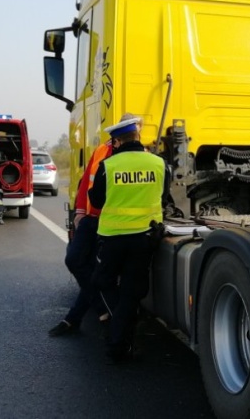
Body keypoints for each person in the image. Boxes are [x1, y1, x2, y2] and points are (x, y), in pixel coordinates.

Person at [49, 113, 141, 338]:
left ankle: (74, 318)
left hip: (111, 222)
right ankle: (101, 309)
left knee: (96, 270)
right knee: (74, 259)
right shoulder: (100, 150)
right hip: (90, 218)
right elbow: (85, 182)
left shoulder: (140, 156)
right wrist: (80, 211)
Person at [88, 117, 168, 362]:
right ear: (138, 136)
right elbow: (164, 199)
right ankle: (123, 336)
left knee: (103, 281)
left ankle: (117, 340)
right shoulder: (159, 163)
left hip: (113, 238)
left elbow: (97, 201)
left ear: (117, 140)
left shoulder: (108, 165)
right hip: (145, 238)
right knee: (132, 292)